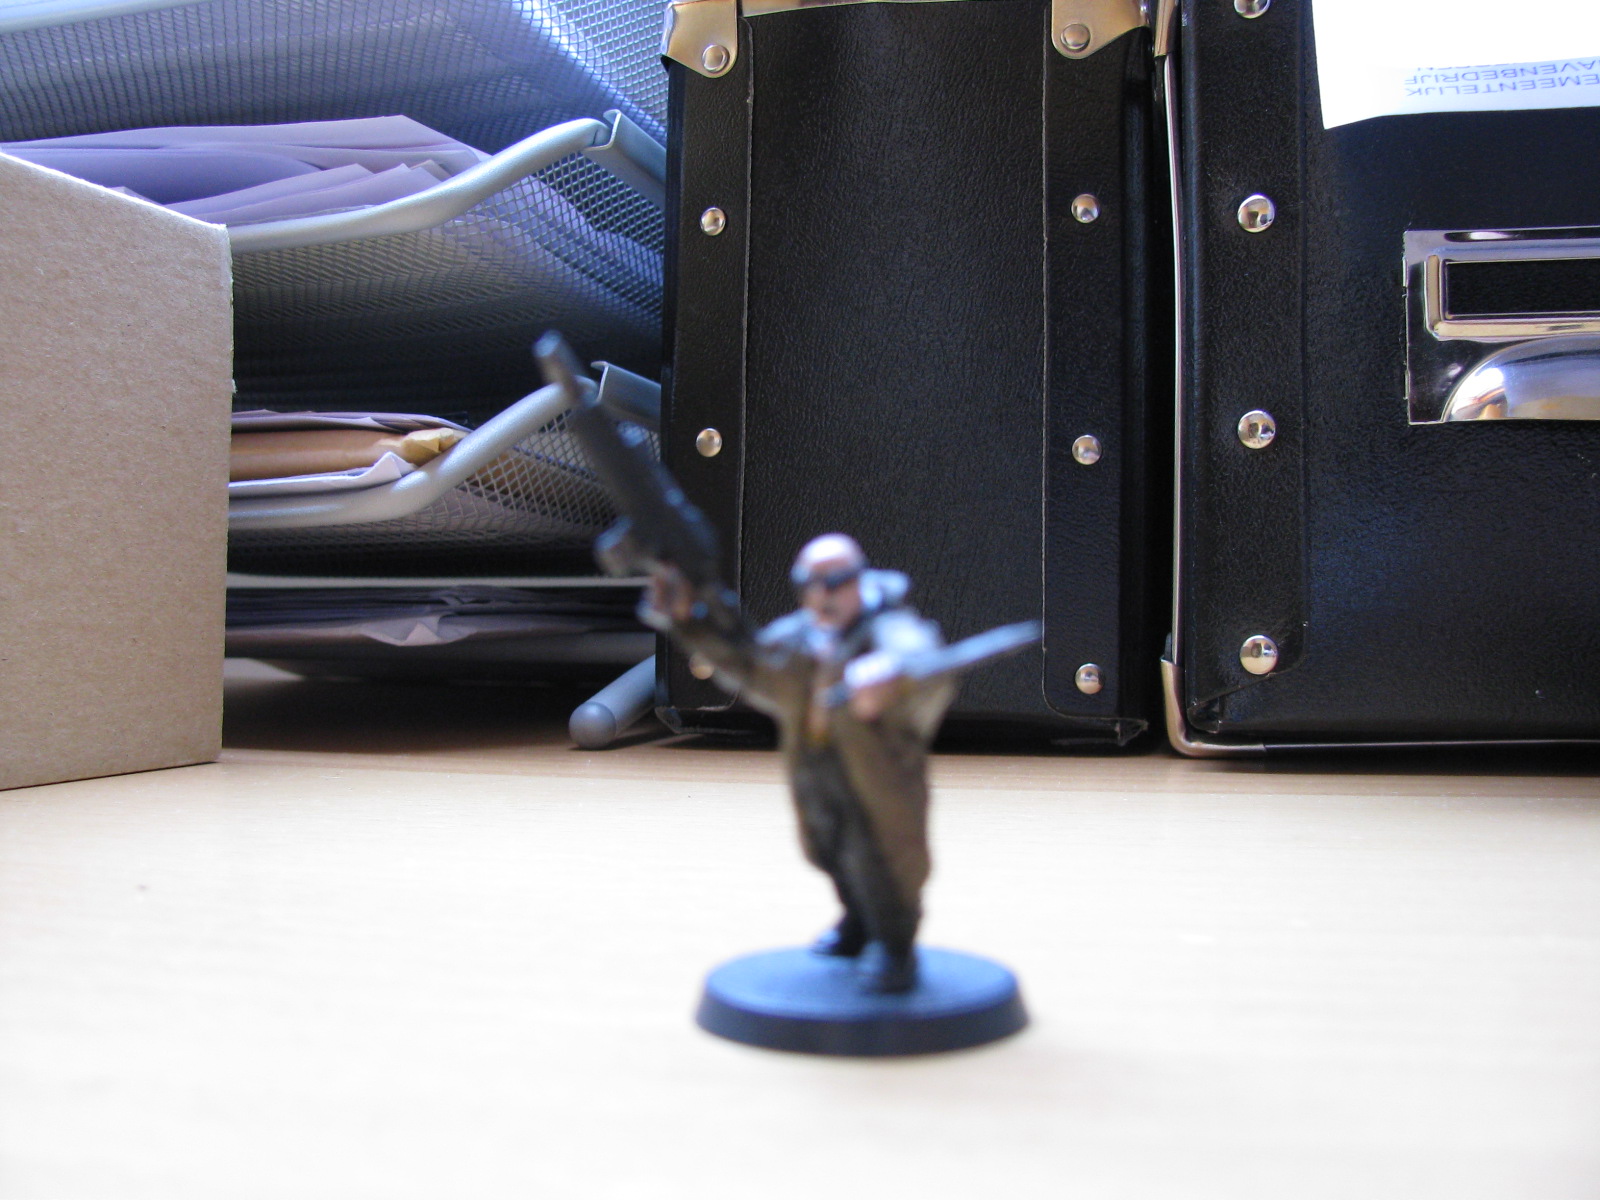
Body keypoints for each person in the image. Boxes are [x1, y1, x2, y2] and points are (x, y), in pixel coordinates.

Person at [644, 533, 956, 994]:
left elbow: (925, 662)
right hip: (816, 770)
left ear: (859, 580)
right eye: (809, 584)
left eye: (835, 582)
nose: (822, 596)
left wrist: (893, 675)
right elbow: (750, 665)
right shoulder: (800, 637)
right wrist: (691, 623)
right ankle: (858, 922)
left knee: (884, 861)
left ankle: (895, 945)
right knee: (831, 851)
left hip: (877, 777)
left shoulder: (890, 631)